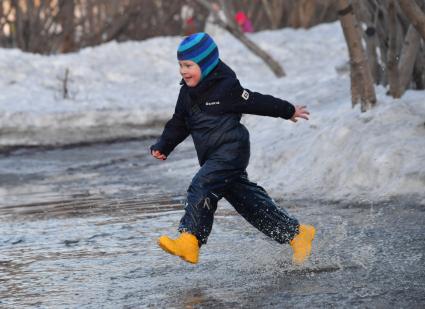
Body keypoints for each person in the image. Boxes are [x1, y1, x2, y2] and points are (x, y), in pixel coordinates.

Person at [150, 32, 315, 265]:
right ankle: (297, 234)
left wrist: (287, 110)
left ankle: (190, 239)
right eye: (180, 65)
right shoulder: (186, 93)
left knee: (202, 185)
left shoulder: (226, 88)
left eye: (188, 65)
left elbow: (257, 101)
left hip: (231, 151)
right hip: (212, 156)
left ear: (205, 65)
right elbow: (179, 122)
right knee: (248, 203)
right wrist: (164, 145)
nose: (183, 71)